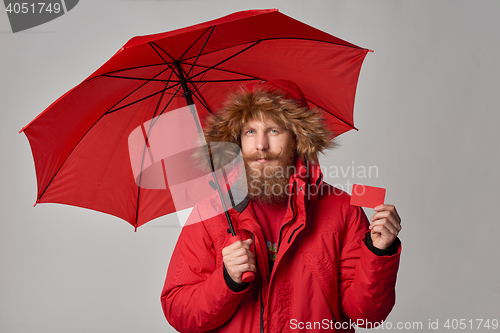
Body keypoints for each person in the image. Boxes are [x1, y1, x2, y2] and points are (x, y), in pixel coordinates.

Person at [161, 80, 402, 333]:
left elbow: (367, 316)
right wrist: (227, 280)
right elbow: (179, 313)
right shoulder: (211, 211)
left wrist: (379, 251)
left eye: (274, 130)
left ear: (298, 138)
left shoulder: (342, 209)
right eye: (250, 132)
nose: (260, 145)